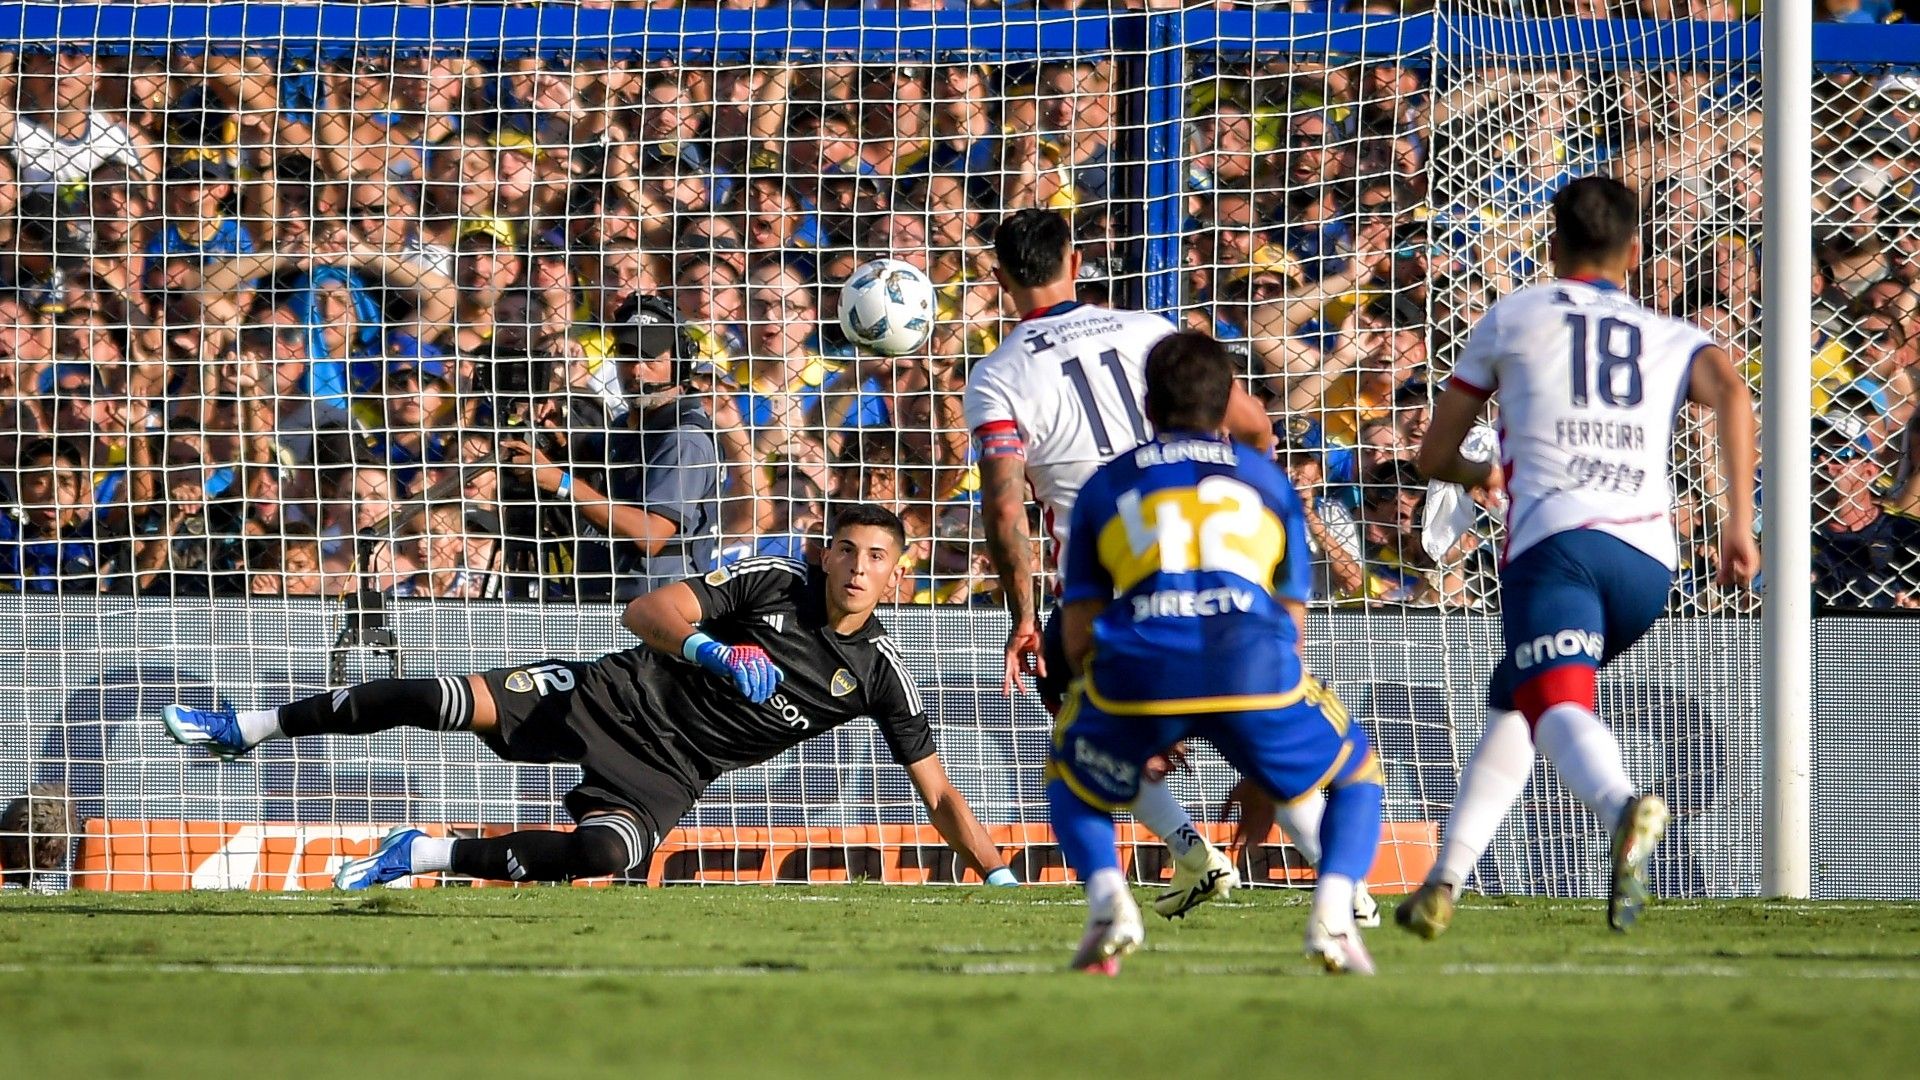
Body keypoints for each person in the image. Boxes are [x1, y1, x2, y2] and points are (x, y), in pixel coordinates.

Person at [160, 505, 1018, 891]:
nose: (859, 567)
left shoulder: (879, 674)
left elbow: (938, 792)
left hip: (673, 768)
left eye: (878, 557)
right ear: (826, 555)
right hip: (615, 693)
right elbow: (645, 610)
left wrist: (1002, 877)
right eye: (848, 550)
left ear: (896, 574)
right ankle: (247, 725)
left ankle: (420, 855)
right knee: (438, 697)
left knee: (606, 857)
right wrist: (714, 651)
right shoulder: (771, 581)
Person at [964, 207, 1373, 925]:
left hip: (1109, 568)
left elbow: (1004, 508)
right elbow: (1255, 427)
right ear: (1077, 262)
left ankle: (1184, 856)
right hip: (1213, 559)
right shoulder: (1151, 329)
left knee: (1080, 739)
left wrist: (1024, 618)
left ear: (998, 278)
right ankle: (1347, 895)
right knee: (1280, 739)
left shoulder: (998, 374)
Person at [1402, 176, 1759, 938]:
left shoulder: (1514, 315)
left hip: (1558, 545)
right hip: (1647, 565)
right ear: (1634, 252)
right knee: (1518, 701)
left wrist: (1478, 471)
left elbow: (1434, 453)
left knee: (1558, 702)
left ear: (1551, 244)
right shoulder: (1666, 334)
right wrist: (1736, 522)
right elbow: (1731, 387)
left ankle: (1622, 810)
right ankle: (1444, 881)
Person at [1047, 330, 1383, 975]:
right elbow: (1291, 613)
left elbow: (1081, 619)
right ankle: (1336, 916)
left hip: (1142, 662)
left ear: (1147, 405)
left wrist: (1122, 708)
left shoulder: (1106, 486)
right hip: (1252, 661)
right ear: (1229, 402)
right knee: (1356, 773)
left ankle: (1109, 904)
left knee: (1068, 774)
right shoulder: (1266, 481)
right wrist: (1264, 734)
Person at [507, 295, 721, 601]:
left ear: (681, 363)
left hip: (658, 607)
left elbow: (650, 534)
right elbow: (597, 463)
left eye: (651, 358)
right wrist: (562, 441)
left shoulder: (684, 438)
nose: (636, 370)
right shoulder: (625, 426)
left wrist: (561, 483)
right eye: (627, 355)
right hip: (609, 596)